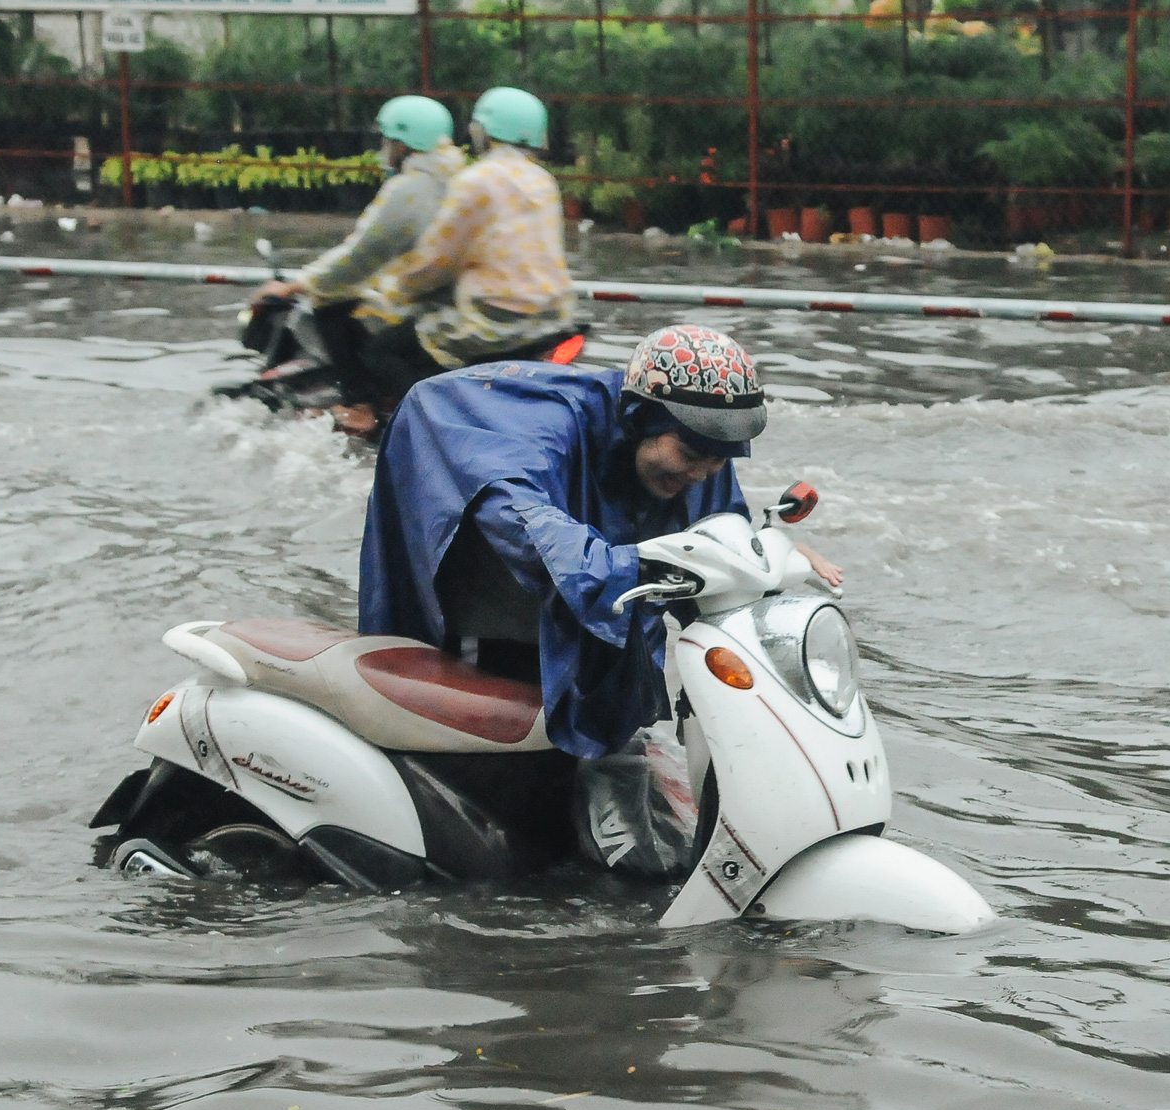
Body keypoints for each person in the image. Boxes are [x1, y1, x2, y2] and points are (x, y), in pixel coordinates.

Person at [359, 324, 842, 773]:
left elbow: (720, 533)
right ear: (639, 420)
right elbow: (525, 522)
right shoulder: (550, 426)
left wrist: (769, 560)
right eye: (691, 458)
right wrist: (629, 563)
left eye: (717, 463)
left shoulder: (696, 454)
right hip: (494, 628)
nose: (700, 476)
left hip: (606, 647)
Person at [246, 96, 466, 424]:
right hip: (460, 298)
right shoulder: (461, 177)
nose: (384, 148)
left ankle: (362, 404)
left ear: (404, 144)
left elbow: (359, 256)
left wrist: (298, 285)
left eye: (388, 140)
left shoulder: (410, 190)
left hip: (432, 307)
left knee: (329, 307)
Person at [363, 87, 578, 414]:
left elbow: (438, 258)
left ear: (484, 133)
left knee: (382, 351)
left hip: (495, 322)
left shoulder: (476, 179)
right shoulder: (543, 181)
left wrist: (399, 288)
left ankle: (425, 424)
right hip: (553, 317)